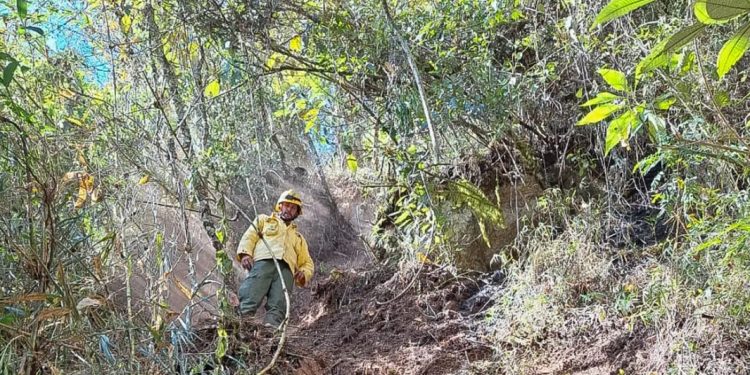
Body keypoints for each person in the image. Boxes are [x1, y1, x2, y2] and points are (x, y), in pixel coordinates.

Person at [236, 189, 314, 329]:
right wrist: (245, 254)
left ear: (297, 213)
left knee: (279, 305)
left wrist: (303, 273)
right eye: (287, 205)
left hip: (286, 272)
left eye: (293, 208)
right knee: (250, 295)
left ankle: (270, 335)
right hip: (263, 263)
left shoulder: (299, 238)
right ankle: (241, 327)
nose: (289, 210)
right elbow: (249, 236)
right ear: (280, 206)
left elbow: (307, 263)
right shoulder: (264, 220)